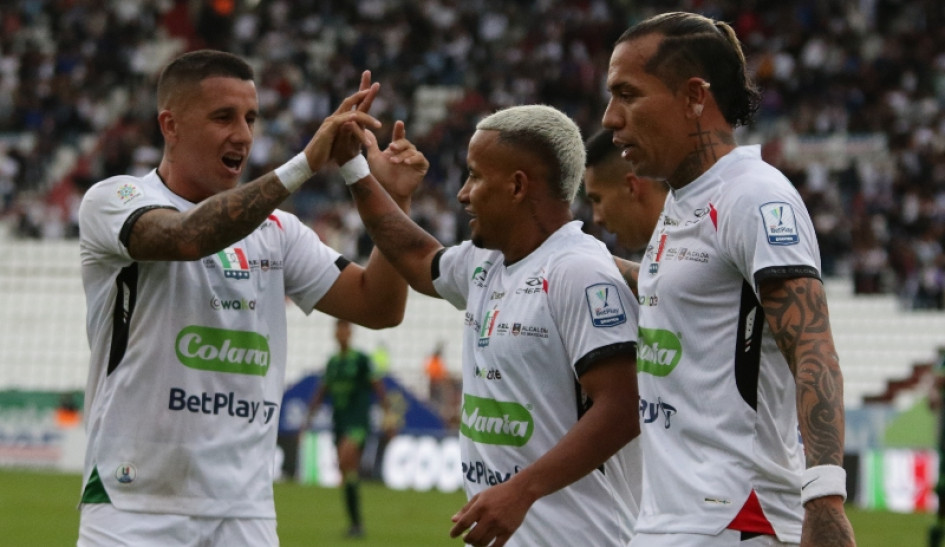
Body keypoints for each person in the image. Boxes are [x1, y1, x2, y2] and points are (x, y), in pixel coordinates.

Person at [76, 50, 427, 546]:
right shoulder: (116, 201)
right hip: (134, 502)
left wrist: (390, 199)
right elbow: (187, 238)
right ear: (170, 125)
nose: (242, 134)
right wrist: (306, 164)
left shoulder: (278, 232)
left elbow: (379, 306)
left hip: (245, 511)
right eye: (223, 117)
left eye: (251, 118)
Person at [602, 12, 856, 547]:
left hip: (739, 521)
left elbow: (811, 345)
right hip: (672, 520)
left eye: (628, 94)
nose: (610, 117)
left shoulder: (753, 196)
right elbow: (675, 293)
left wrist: (826, 498)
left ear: (694, 96)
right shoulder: (683, 200)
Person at [337, 103, 641, 546]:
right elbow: (417, 257)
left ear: (517, 185)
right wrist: (357, 172)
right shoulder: (486, 262)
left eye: (475, 176)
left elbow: (625, 405)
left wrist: (522, 490)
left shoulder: (579, 271)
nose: (462, 193)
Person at [302, 319, 388, 538]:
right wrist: (308, 419)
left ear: (351, 333)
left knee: (345, 458)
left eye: (346, 329)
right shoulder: (332, 363)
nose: (342, 333)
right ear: (335, 334)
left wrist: (390, 417)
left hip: (358, 422)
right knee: (347, 472)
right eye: (339, 329)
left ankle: (356, 522)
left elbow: (379, 388)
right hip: (339, 423)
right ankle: (356, 525)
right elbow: (322, 392)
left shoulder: (361, 360)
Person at [584, 129, 668, 294]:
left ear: (631, 187)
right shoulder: (669, 252)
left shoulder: (706, 236)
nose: (596, 218)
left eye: (597, 199)